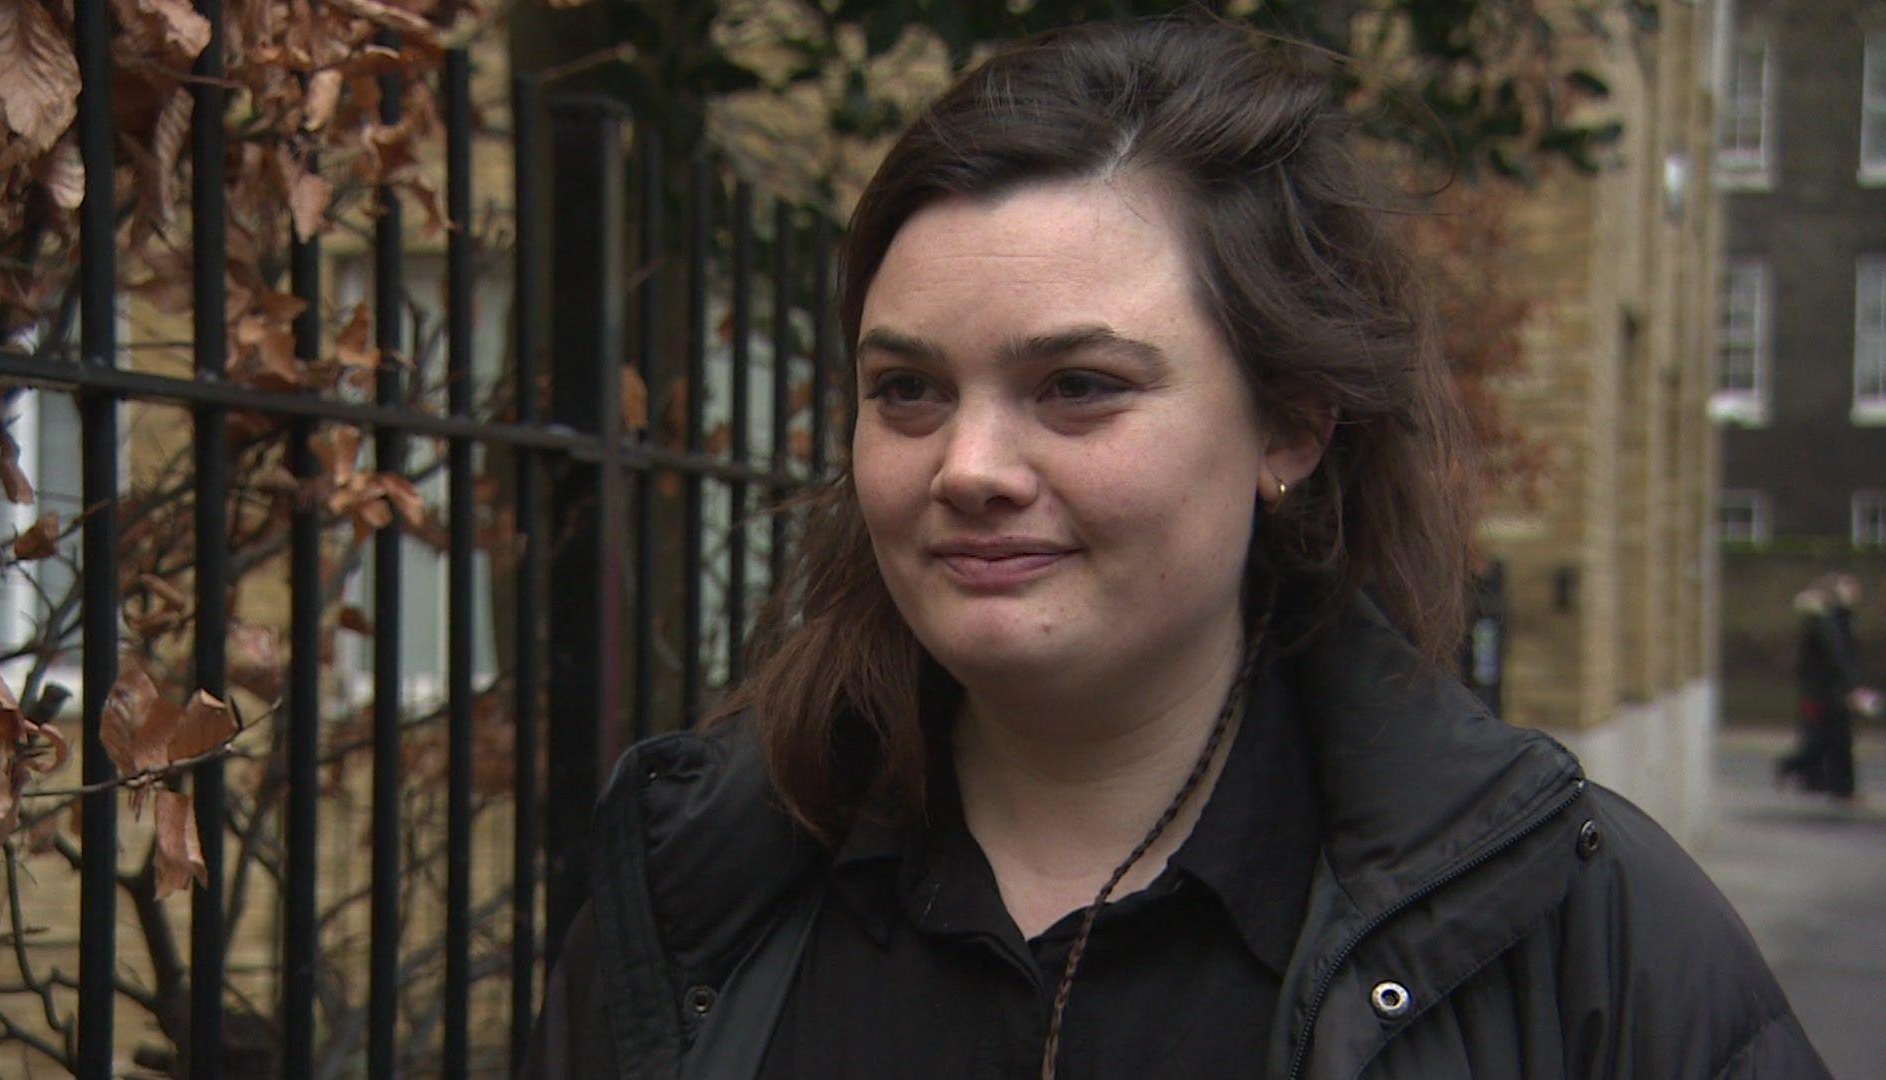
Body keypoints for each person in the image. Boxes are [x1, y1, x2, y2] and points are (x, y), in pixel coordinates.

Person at [527, 16, 1828, 1078]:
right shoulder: (703, 902)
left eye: (1080, 385)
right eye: (907, 390)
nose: (969, 467)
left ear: (1292, 424)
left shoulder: (1571, 940)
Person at [1778, 574, 1871, 799]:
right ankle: (1835, 785)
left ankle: (1821, 781)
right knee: (1832, 738)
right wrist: (1854, 687)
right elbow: (1838, 656)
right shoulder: (1824, 619)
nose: (1855, 592)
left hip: (1827, 690)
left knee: (1826, 738)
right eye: (1848, 587)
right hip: (1826, 691)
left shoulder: (1837, 617)